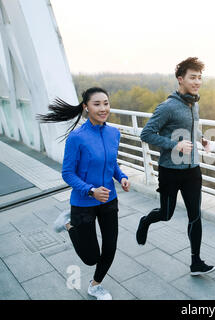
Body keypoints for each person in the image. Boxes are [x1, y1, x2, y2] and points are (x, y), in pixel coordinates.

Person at [37, 87, 130, 300]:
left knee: (110, 247)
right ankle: (69, 224)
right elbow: (67, 173)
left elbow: (112, 164)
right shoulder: (76, 138)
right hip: (83, 202)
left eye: (105, 103)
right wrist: (90, 190)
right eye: (97, 104)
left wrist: (122, 177)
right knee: (90, 257)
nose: (103, 108)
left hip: (109, 200)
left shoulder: (114, 133)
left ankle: (95, 286)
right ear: (86, 107)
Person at [137, 57, 215, 276]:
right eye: (193, 77)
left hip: (192, 171)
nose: (197, 81)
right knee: (166, 213)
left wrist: (201, 139)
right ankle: (145, 221)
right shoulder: (168, 107)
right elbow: (146, 134)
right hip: (170, 171)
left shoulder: (194, 103)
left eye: (200, 77)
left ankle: (196, 262)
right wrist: (175, 145)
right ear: (180, 79)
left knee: (195, 215)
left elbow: (191, 127)